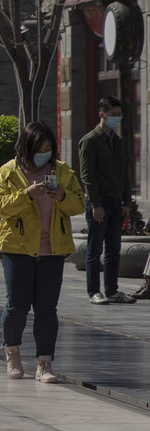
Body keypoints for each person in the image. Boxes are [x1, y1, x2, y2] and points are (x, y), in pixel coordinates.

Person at [0, 121, 84, 383]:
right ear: (27, 148)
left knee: (46, 308)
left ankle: (45, 363)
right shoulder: (8, 172)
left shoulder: (61, 171)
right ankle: (13, 354)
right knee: (17, 306)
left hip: (52, 249)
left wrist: (62, 196)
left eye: (49, 148)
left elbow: (79, 204)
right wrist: (26, 194)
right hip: (16, 248)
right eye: (39, 148)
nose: (44, 153)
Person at [79, 95, 137, 305]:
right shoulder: (90, 141)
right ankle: (94, 291)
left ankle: (112, 290)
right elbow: (87, 176)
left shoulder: (119, 142)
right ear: (101, 115)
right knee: (95, 250)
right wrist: (95, 204)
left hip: (116, 202)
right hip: (99, 202)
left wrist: (126, 202)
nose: (116, 119)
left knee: (114, 249)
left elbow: (124, 174)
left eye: (119, 115)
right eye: (113, 115)